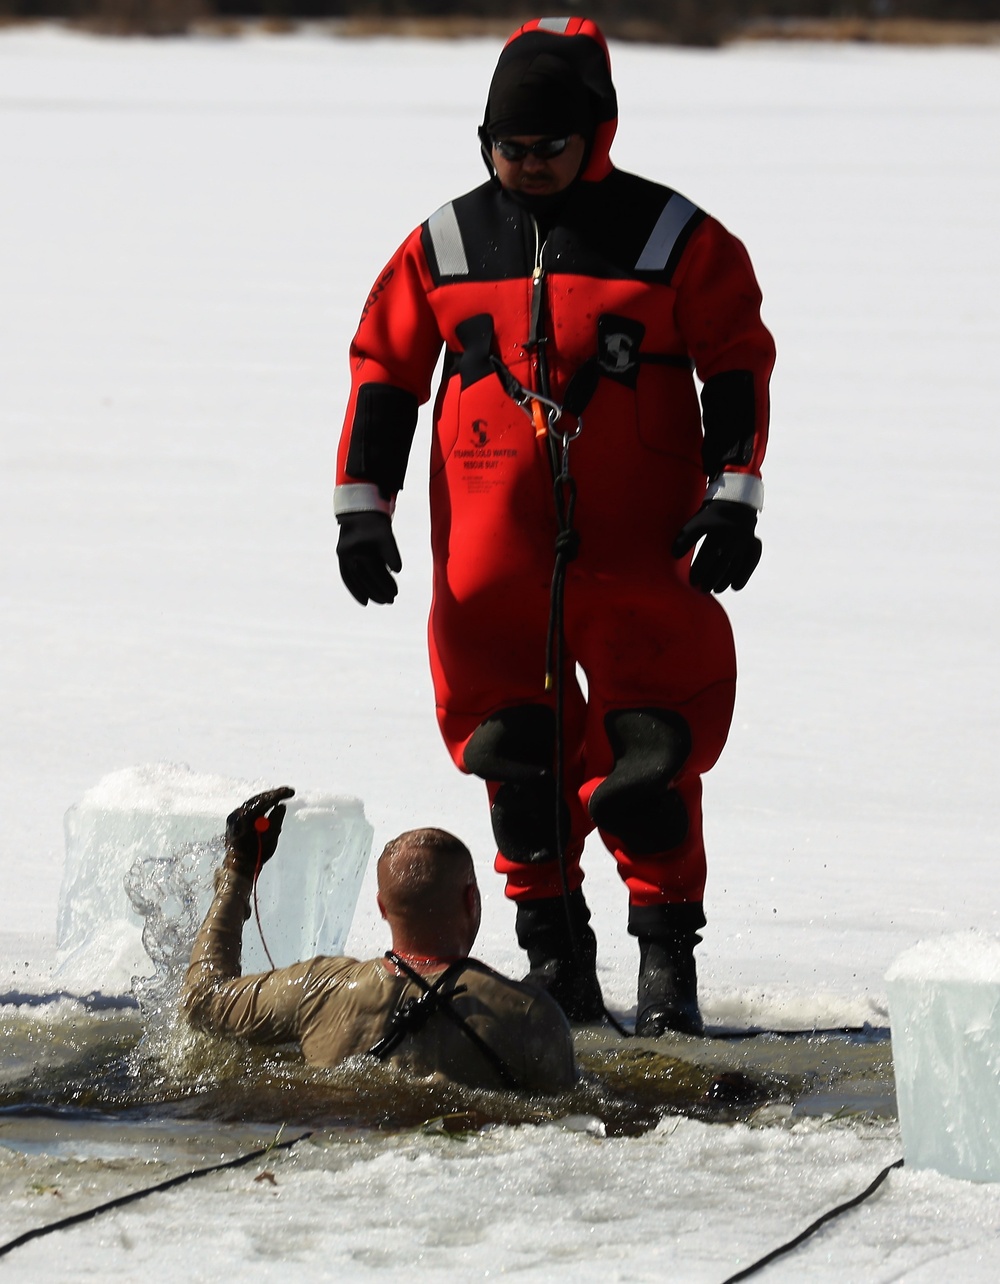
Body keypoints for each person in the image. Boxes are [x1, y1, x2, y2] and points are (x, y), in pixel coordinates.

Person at [334, 16, 775, 1036]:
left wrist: (734, 493)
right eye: (507, 149)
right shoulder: (443, 244)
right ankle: (556, 975)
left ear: (597, 134)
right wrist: (364, 508)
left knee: (645, 763)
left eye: (548, 148)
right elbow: (385, 373)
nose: (526, 167)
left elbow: (736, 365)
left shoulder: (675, 240)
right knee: (516, 760)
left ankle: (667, 974)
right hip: (493, 565)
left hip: (641, 555)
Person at [182, 788, 576, 1093]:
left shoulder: (317, 989)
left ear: (382, 907)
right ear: (471, 900)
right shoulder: (529, 1014)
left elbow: (201, 999)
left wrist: (237, 870)